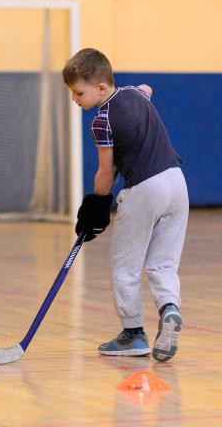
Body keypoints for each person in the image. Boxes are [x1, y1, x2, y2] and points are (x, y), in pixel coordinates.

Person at [62, 48, 189, 362]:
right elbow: (147, 88)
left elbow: (106, 171)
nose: (75, 99)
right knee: (163, 263)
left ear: (102, 88)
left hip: (145, 188)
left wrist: (95, 206)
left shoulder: (102, 120)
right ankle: (169, 309)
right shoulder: (135, 94)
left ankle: (133, 334)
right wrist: (141, 92)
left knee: (125, 266)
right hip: (177, 183)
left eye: (79, 92)